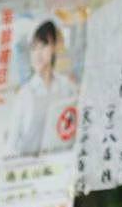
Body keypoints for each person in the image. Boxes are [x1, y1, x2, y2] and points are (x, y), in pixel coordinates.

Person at [6, 20, 77, 157]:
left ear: (54, 47)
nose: (38, 53)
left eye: (43, 46)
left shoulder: (66, 85)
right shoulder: (24, 94)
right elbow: (12, 144)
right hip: (31, 166)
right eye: (34, 48)